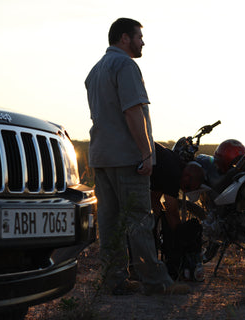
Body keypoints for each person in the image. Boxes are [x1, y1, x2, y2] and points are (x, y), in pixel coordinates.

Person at [85, 18, 190, 295]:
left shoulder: (95, 70)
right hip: (126, 157)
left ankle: (113, 279)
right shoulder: (126, 65)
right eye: (139, 37)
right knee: (140, 220)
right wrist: (147, 152)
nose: (142, 42)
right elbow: (132, 112)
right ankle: (157, 283)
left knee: (110, 222)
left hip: (101, 157)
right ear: (124, 38)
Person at [150, 142, 205, 280]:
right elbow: (172, 210)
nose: (185, 191)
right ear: (186, 177)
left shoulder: (173, 164)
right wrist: (179, 236)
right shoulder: (174, 173)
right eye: (187, 187)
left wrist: (158, 221)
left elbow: (154, 197)